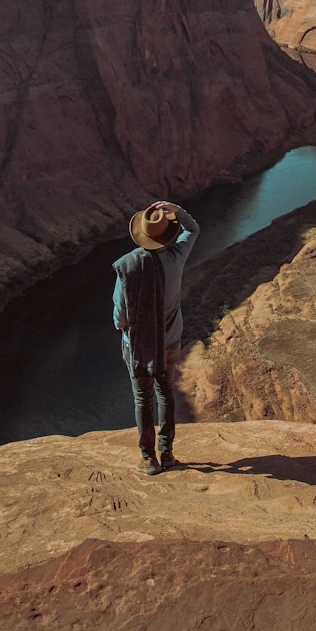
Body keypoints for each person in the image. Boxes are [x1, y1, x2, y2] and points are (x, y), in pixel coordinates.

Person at [112, 200, 200, 475]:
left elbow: (120, 317)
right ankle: (168, 453)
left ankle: (148, 458)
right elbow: (193, 229)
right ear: (167, 234)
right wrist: (177, 211)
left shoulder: (128, 266)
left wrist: (126, 329)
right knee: (166, 392)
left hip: (138, 346)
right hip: (171, 342)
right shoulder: (177, 256)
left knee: (143, 398)